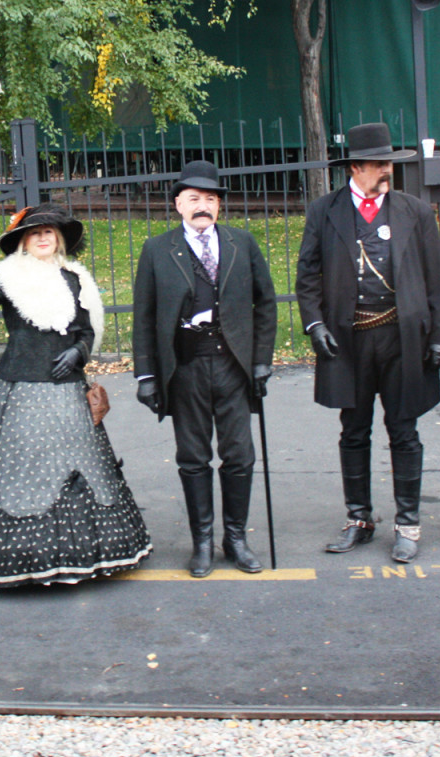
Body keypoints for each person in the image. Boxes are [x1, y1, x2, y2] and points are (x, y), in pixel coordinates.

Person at [0, 204, 151, 587]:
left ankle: (80, 555)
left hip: (67, 385)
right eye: (35, 233)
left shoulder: (75, 279)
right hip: (20, 385)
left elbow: (87, 330)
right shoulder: (8, 278)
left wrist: (79, 351)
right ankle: (17, 558)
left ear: (58, 240)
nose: (43, 237)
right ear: (23, 241)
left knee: (75, 465)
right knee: (20, 469)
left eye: (50, 232)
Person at [295, 122, 440, 563]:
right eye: (380, 164)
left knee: (404, 432)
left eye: (390, 163)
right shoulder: (324, 211)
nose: (388, 171)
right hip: (349, 342)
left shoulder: (415, 211)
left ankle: (408, 524)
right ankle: (359, 518)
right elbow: (307, 277)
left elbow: (436, 280)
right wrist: (315, 325)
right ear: (357, 167)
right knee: (354, 431)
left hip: (403, 340)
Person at [132, 160, 278, 578]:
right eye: (194, 198)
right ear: (178, 204)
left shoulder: (241, 244)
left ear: (219, 206)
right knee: (193, 457)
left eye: (210, 199)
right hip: (186, 368)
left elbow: (265, 303)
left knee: (239, 456)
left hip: (233, 368)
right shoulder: (157, 250)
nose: (203, 206)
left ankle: (236, 539)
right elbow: (144, 316)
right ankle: (202, 542)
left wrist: (262, 359)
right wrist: (146, 375)